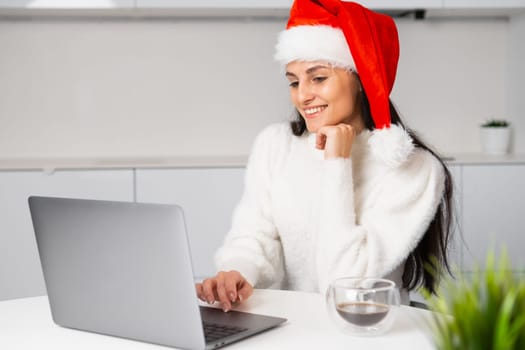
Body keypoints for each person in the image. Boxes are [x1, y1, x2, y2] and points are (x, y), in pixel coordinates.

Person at [195, 0, 453, 312]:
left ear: (360, 78)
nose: (302, 95)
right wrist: (236, 273)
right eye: (293, 81)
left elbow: (343, 283)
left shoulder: (413, 168)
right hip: (293, 328)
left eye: (318, 78)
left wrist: (337, 162)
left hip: (369, 333)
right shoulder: (276, 145)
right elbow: (253, 237)